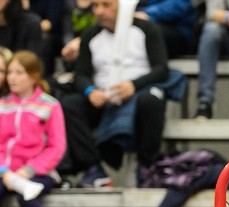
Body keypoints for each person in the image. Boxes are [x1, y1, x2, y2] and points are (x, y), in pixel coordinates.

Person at [59, 0, 175, 189]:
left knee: (153, 99)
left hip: (138, 93)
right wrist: (90, 91)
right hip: (103, 96)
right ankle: (93, 168)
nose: (99, 11)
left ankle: (146, 167)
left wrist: (133, 85)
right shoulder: (90, 35)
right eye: (95, 6)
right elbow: (81, 74)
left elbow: (162, 69)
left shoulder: (147, 29)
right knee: (69, 104)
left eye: (106, 5)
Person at [0, 50, 72, 207]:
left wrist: (28, 171)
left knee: (27, 198)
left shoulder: (49, 105)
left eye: (19, 72)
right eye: (9, 71)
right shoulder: (2, 105)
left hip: (39, 172)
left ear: (33, 76)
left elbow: (57, 147)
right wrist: (5, 171)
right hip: (5, 172)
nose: (12, 77)